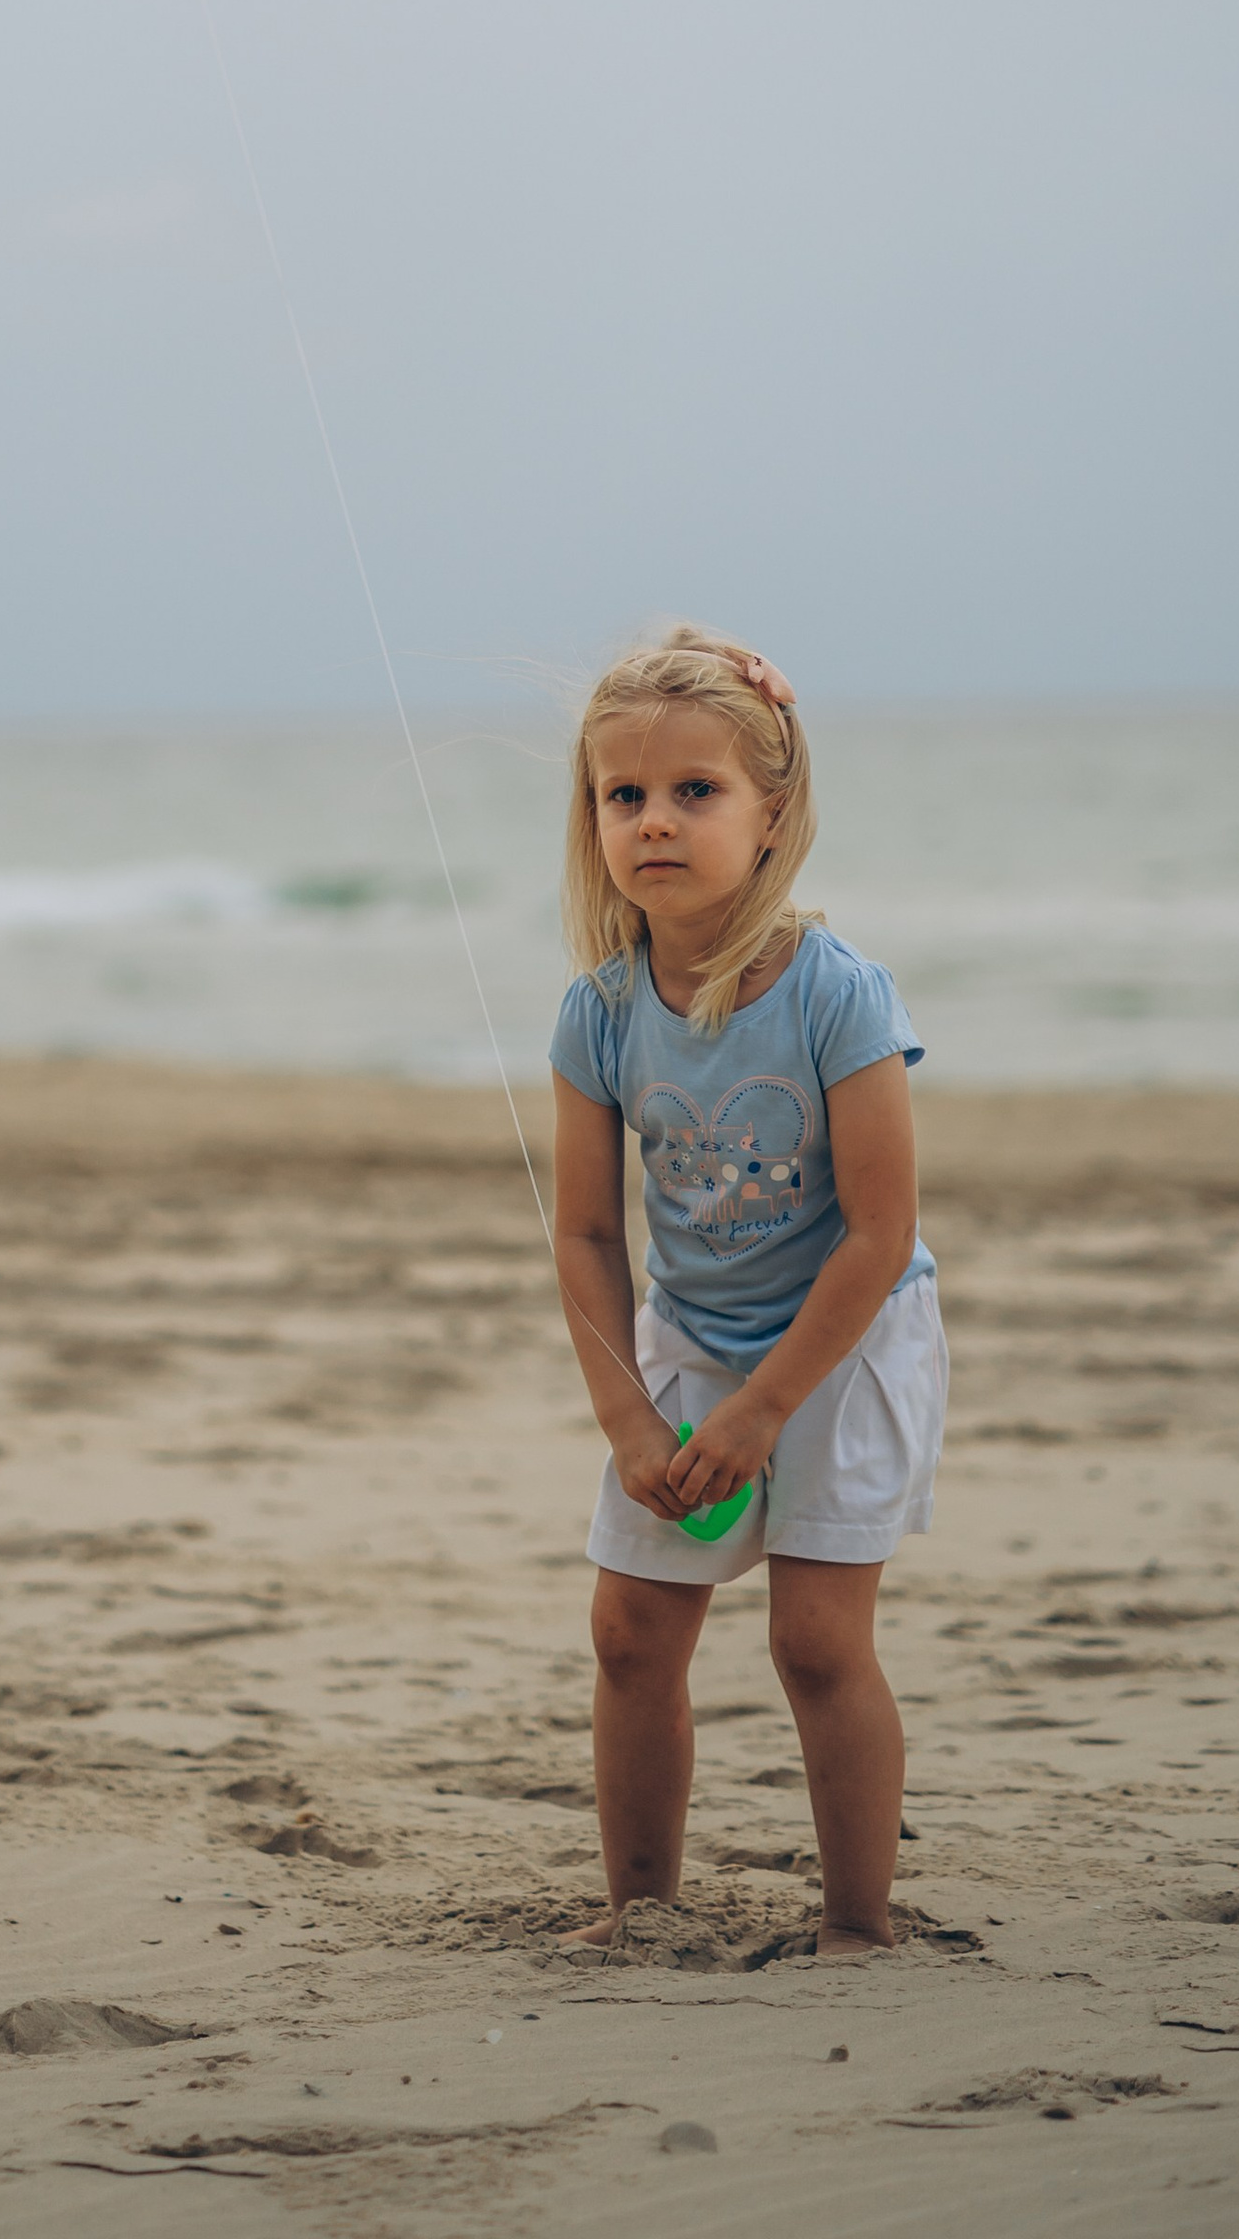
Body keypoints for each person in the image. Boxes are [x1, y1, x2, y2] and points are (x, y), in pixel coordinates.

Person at [547, 624, 946, 1958]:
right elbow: (590, 1239)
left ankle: (858, 1927)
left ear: (773, 815)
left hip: (845, 1341)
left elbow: (880, 1234)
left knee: (818, 1642)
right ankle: (641, 1915)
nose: (655, 821)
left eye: (695, 791)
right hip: (690, 1342)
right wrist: (631, 1422)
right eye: (626, 795)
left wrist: (767, 1411)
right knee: (628, 1633)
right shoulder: (600, 1012)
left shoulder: (837, 995)